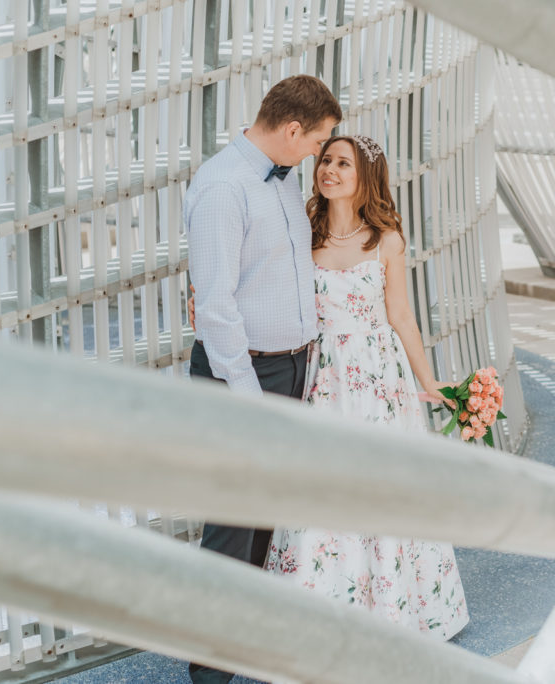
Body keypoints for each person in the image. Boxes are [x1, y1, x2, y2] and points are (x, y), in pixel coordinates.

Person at [262, 133, 469, 639]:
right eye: (326, 160)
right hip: (321, 374)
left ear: (365, 178)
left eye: (343, 164)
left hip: (377, 380)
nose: (329, 170)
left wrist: (427, 379)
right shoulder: (303, 231)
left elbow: (401, 315)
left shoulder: (386, 240)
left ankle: (392, 613)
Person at [184, 74, 341, 684]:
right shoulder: (224, 187)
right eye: (318, 142)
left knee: (265, 518)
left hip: (291, 368)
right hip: (242, 376)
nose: (319, 154)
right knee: (232, 524)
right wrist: (251, 397)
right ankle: (210, 673)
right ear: (293, 130)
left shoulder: (282, 177)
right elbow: (216, 306)